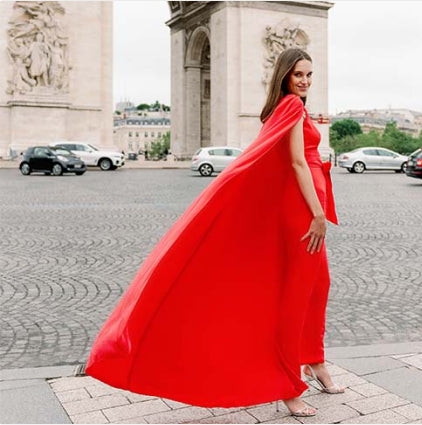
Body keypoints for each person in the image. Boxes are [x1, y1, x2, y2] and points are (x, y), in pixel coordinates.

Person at [85, 48, 342, 417]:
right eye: (298, 74)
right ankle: (288, 385)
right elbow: (298, 161)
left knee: (318, 286)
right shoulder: (289, 107)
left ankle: (313, 360)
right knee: (298, 295)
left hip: (305, 209)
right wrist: (317, 213)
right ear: (284, 75)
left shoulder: (292, 108)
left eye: (309, 75)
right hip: (303, 214)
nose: (305, 81)